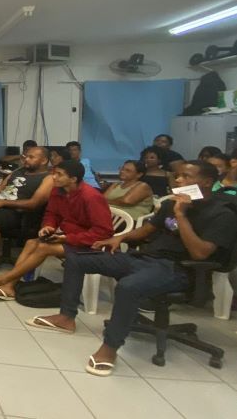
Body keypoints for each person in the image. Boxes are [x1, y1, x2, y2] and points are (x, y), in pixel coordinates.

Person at [25, 161, 237, 377]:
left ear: (208, 182)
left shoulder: (222, 214)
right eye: (178, 176)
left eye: (186, 177)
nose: (178, 180)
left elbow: (200, 253)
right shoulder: (171, 204)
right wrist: (120, 237)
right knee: (77, 259)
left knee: (128, 286)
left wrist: (181, 215)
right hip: (145, 258)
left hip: (180, 269)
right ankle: (66, 317)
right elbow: (147, 229)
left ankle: (110, 348)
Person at [0, 160, 113, 299]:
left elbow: (103, 232)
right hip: (68, 237)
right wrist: (48, 226)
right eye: (54, 173)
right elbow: (51, 214)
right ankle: (10, 286)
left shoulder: (91, 197)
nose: (54, 177)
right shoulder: (58, 190)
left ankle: (3, 280)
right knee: (31, 243)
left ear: (73, 179)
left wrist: (68, 238)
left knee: (43, 247)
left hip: (91, 244)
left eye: (59, 175)